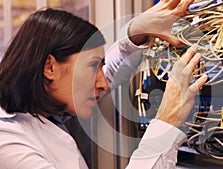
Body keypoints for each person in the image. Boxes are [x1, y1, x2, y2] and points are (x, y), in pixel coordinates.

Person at [0, 0, 208, 169]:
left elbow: (104, 75)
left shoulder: (40, 108)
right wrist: (166, 122)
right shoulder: (7, 143)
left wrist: (135, 32)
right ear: (50, 67)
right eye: (93, 66)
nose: (104, 85)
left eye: (100, 66)